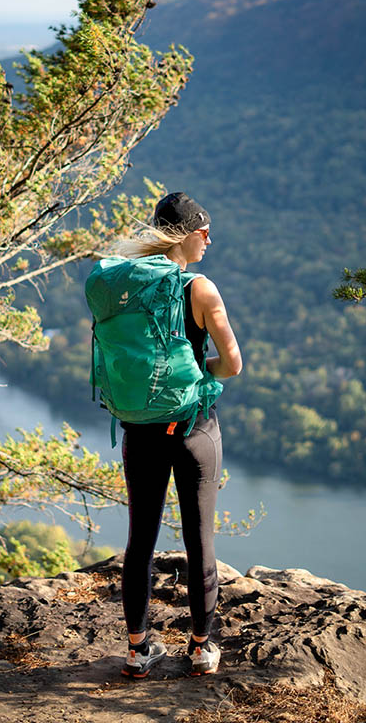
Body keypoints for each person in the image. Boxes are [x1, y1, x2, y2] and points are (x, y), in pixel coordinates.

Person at [116, 192, 242, 679]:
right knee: (199, 540)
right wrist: (194, 372)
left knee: (140, 541)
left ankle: (137, 650)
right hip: (193, 429)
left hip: (140, 431)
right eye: (203, 230)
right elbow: (232, 364)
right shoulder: (201, 289)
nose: (209, 238)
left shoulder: (125, 286)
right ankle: (201, 647)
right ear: (185, 233)